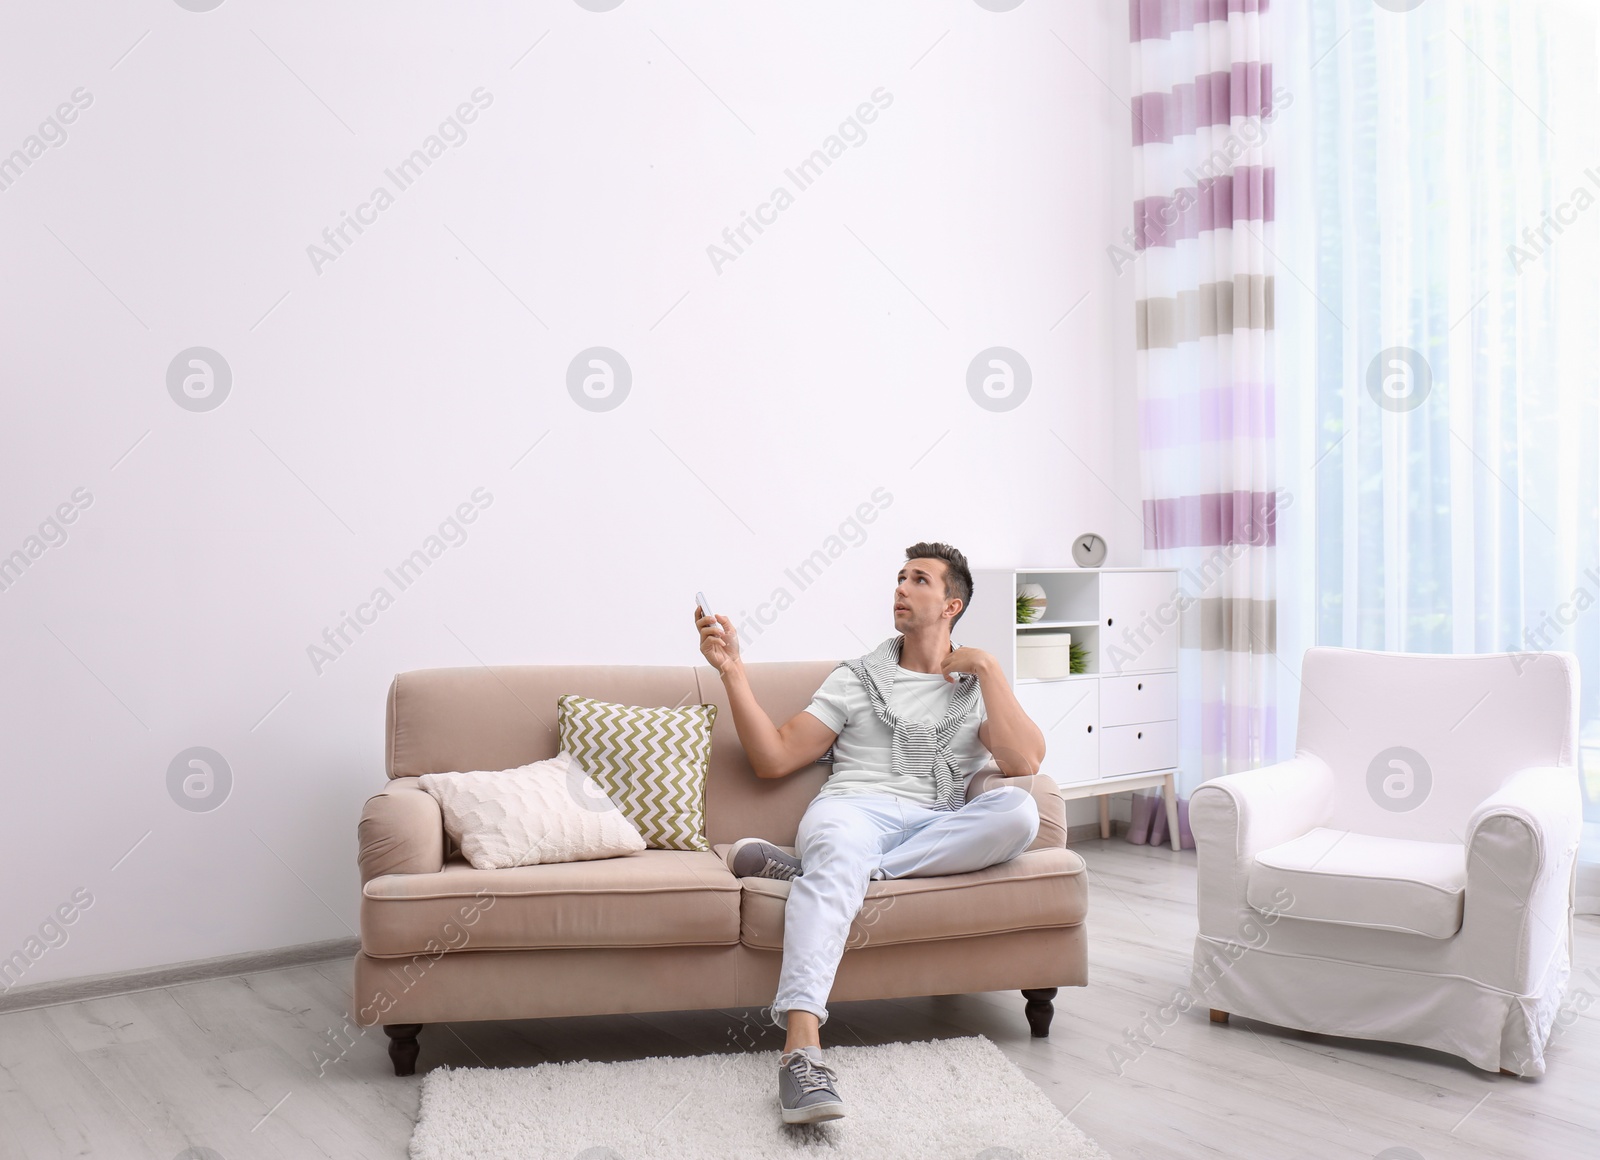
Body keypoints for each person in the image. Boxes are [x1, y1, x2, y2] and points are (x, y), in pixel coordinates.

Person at [694, 540, 1047, 1125]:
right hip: (852, 810)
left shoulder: (974, 687)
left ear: (952, 604)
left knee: (1020, 813)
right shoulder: (857, 679)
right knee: (839, 850)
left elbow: (1025, 762)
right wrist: (732, 670)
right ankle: (802, 1053)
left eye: (919, 580)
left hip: (936, 821)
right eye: (900, 578)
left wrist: (987, 669)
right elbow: (774, 758)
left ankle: (834, 873)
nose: (901, 589)